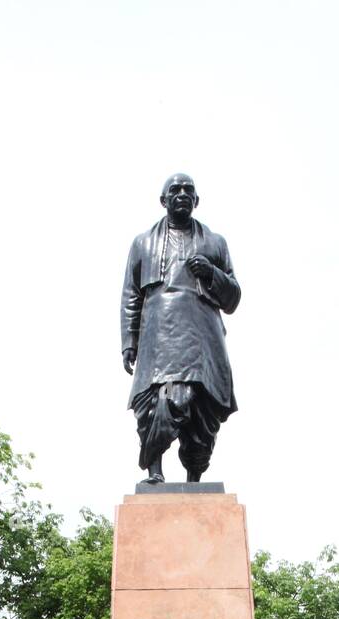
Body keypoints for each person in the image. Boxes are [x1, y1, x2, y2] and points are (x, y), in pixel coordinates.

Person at [121, 173, 241, 483]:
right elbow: (131, 295)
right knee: (159, 403)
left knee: (201, 412)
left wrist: (212, 273)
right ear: (163, 200)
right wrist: (129, 342)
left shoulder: (215, 243)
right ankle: (155, 473)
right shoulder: (143, 243)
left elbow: (233, 298)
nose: (182, 194)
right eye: (175, 190)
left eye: (189, 190)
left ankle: (194, 482)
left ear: (197, 200)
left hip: (202, 339)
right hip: (158, 337)